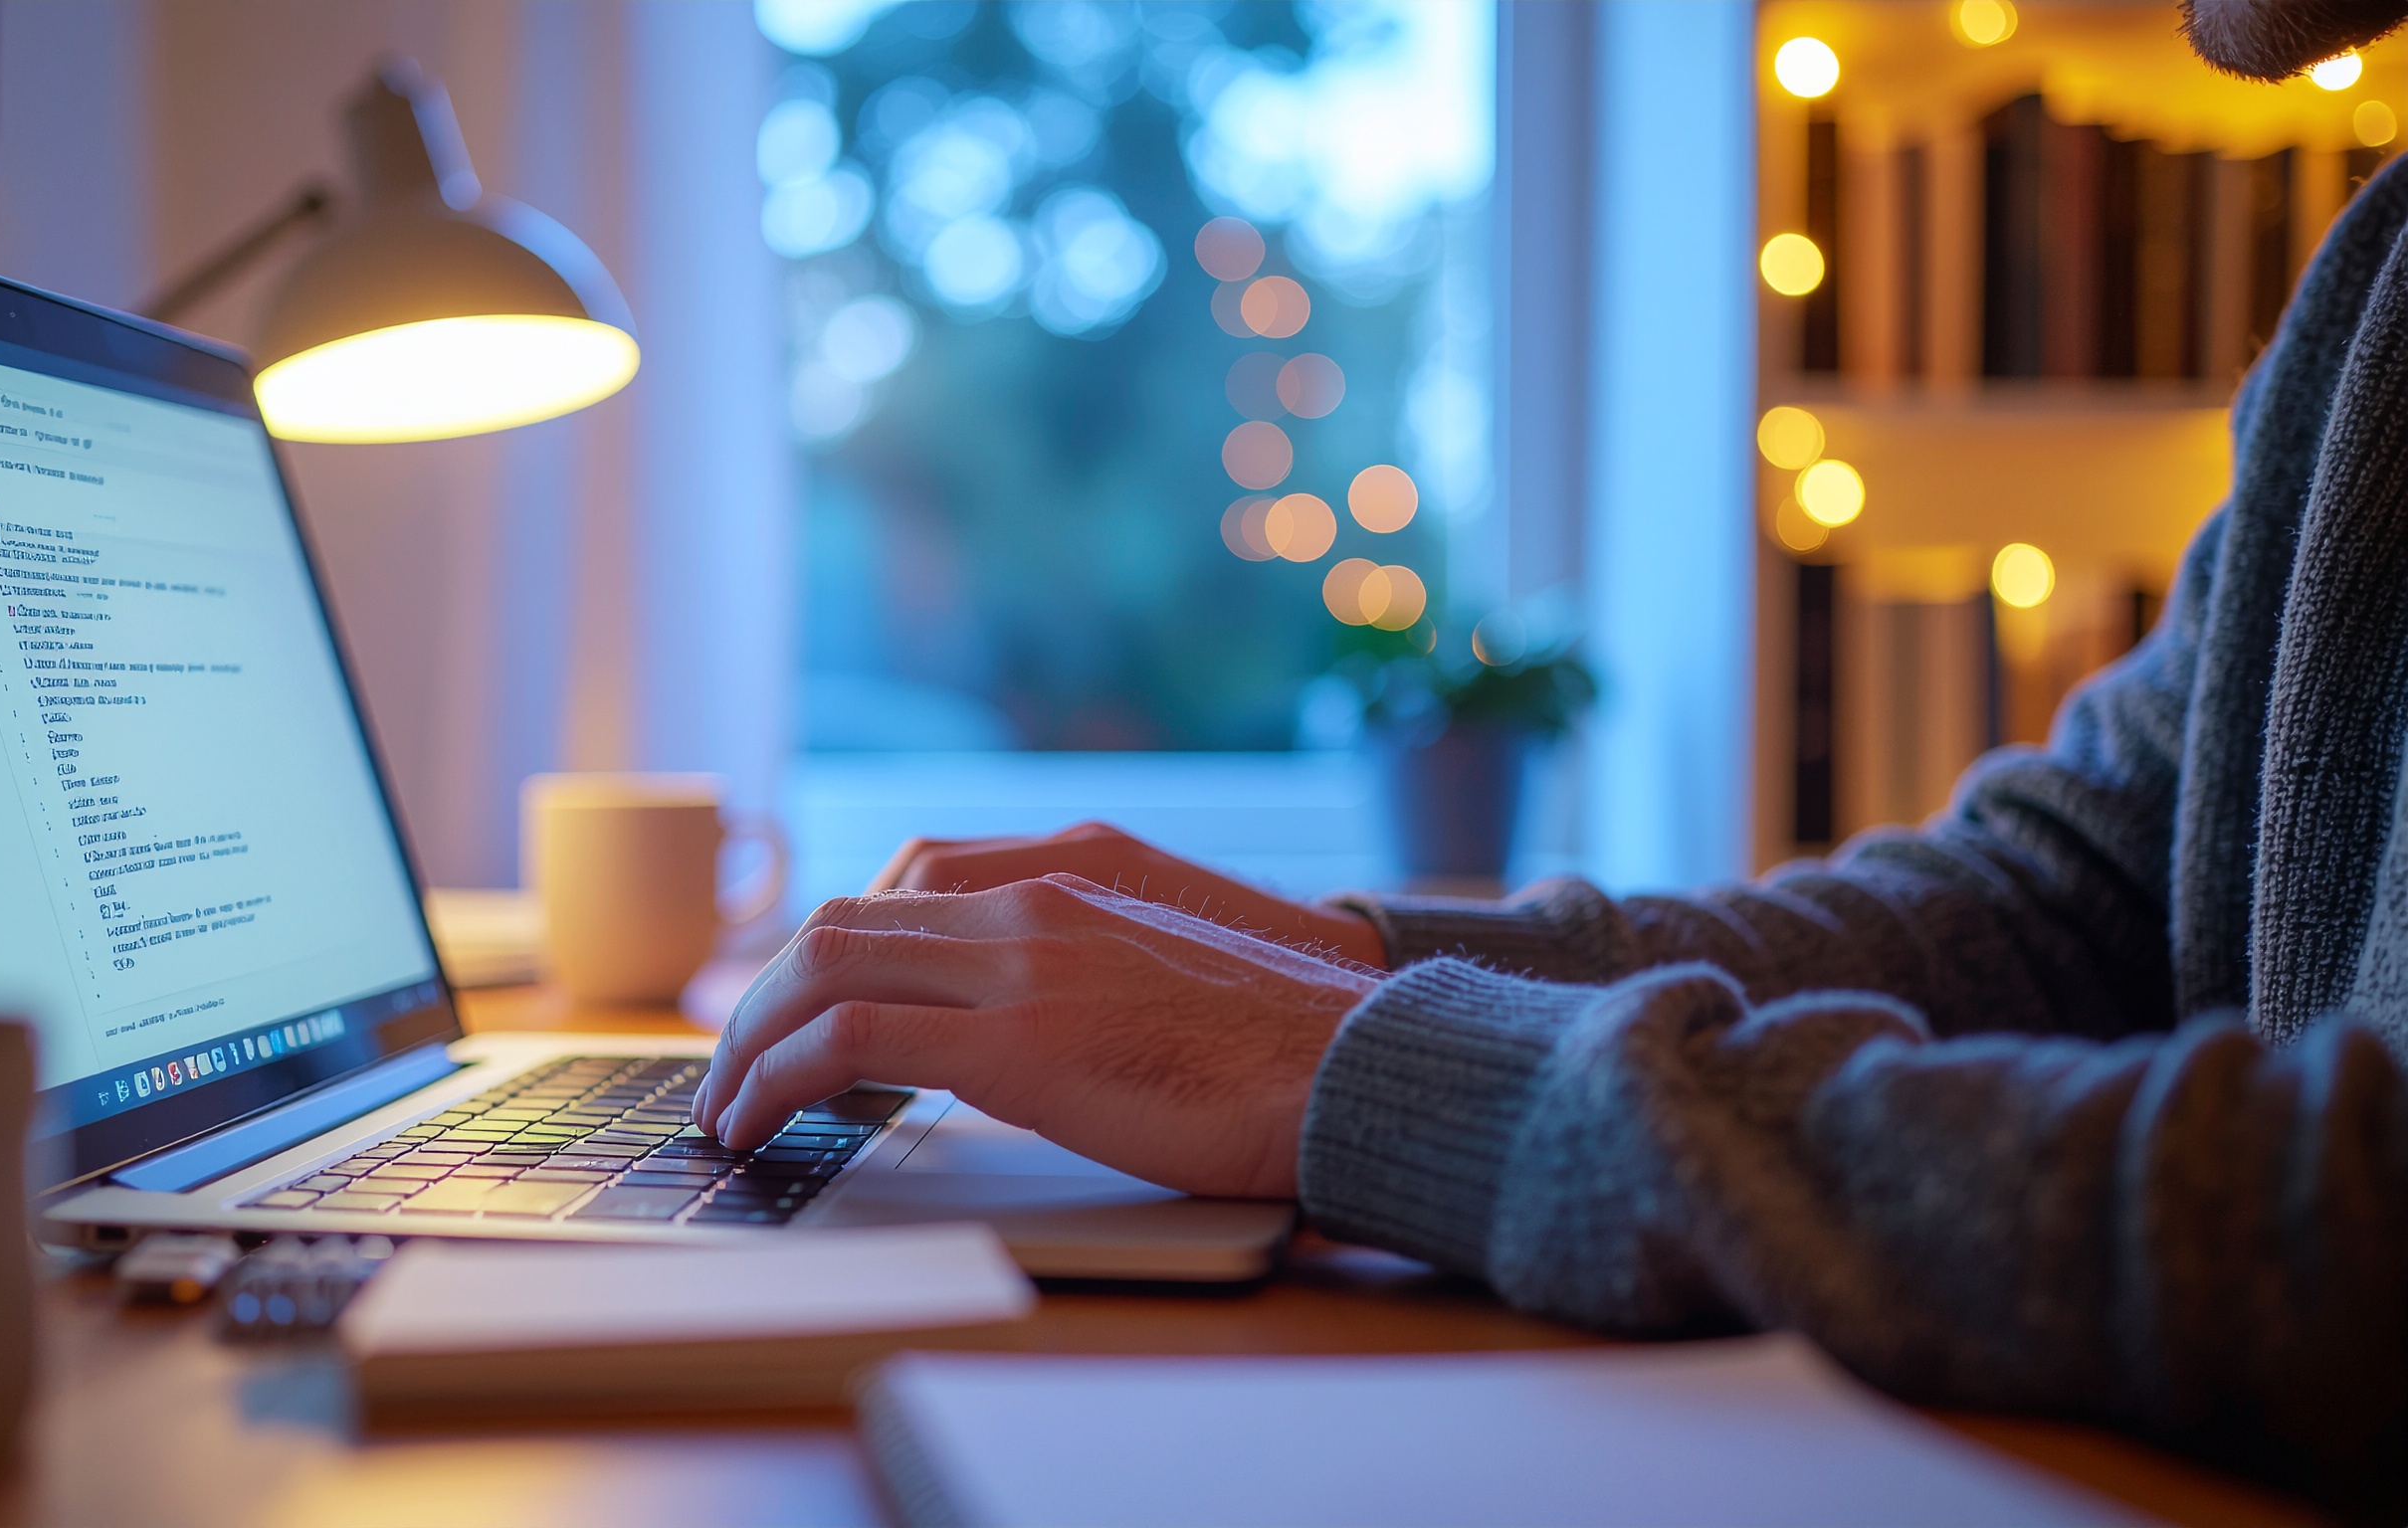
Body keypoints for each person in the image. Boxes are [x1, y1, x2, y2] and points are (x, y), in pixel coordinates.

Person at [695, 2, 2408, 1513]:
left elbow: (2353, 1216)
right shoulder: (2374, 279)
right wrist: (1328, 962)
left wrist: (1358, 1069)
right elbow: (2065, 904)